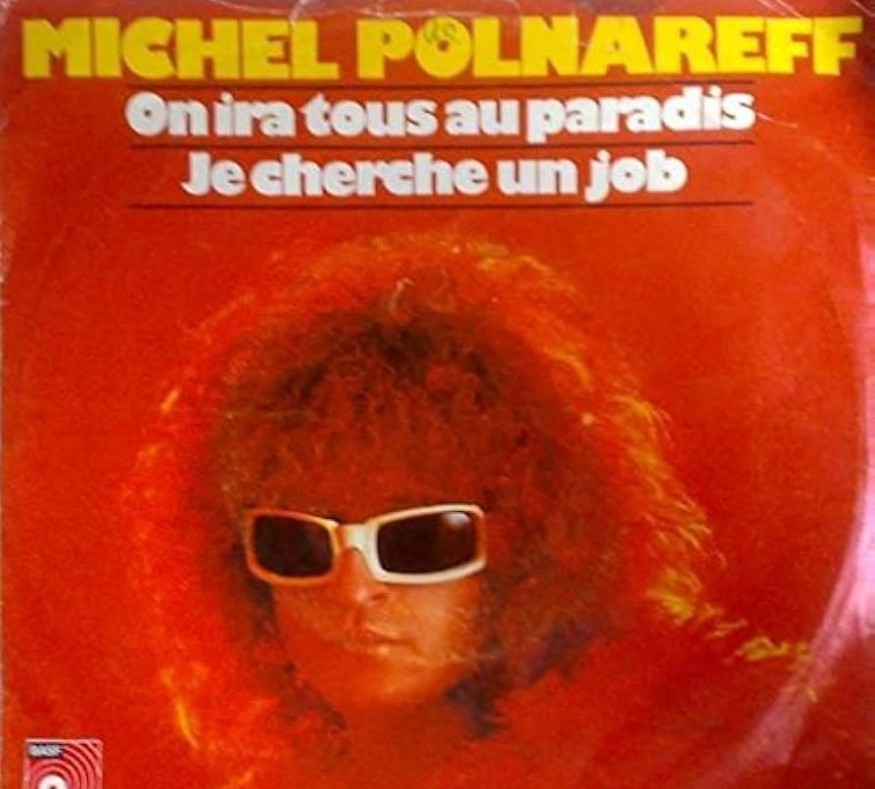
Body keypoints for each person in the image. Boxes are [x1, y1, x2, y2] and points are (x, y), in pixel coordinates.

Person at [128, 232, 798, 788]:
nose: (354, 588)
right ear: (244, 578)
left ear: (527, 553)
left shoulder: (672, 759)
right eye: (299, 543)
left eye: (420, 538)